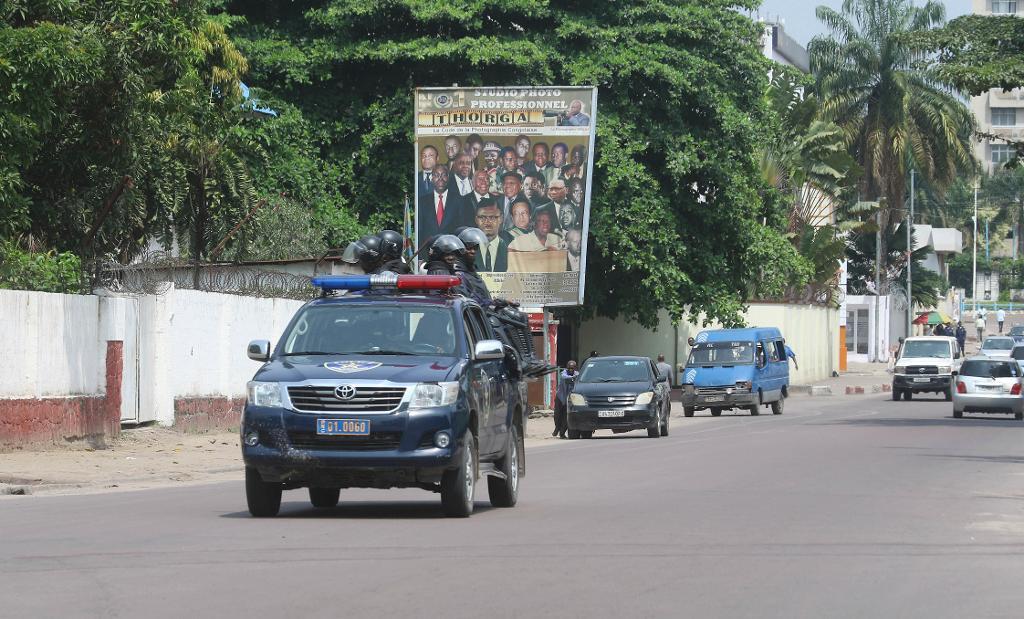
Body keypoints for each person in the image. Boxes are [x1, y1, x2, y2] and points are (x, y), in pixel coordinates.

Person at [417, 164, 469, 238]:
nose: (440, 178)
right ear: (432, 178)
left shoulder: (459, 200)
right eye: (436, 175)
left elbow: (462, 229)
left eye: (443, 175)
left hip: (452, 247)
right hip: (429, 247)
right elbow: (420, 230)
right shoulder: (422, 202)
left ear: (448, 178)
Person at [454, 228, 492, 304]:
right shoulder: (458, 274)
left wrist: (496, 303)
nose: (473, 251)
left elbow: (484, 296)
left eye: (475, 248)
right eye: (468, 248)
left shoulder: (471, 271)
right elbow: (467, 302)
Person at [474, 199, 509, 272]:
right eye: (483, 217)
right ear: (476, 219)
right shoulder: (465, 250)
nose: (487, 221)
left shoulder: (511, 246)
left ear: (501, 219)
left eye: (492, 217)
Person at [553, 361, 578, 439]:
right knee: (557, 415)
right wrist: (572, 378)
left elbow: (579, 377)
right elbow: (564, 377)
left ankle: (562, 433)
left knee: (566, 417)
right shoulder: (563, 373)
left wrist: (575, 378)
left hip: (569, 399)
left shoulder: (577, 374)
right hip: (560, 397)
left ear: (575, 368)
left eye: (572, 368)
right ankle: (557, 427)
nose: (570, 370)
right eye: (569, 368)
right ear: (567, 368)